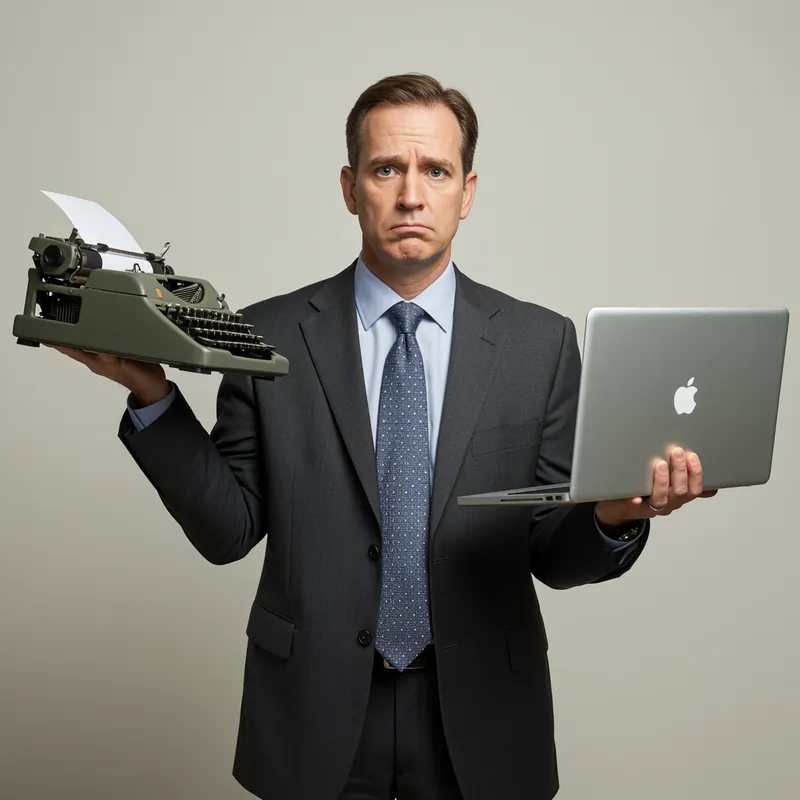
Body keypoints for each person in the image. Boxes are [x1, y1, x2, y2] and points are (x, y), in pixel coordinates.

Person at [49, 73, 716, 800]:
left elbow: (551, 552)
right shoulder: (266, 336)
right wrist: (151, 392)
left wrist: (617, 515)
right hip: (313, 712)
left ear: (468, 192)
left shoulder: (540, 344)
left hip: (481, 712)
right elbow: (227, 531)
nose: (410, 195)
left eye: (435, 171)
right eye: (386, 169)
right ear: (349, 187)